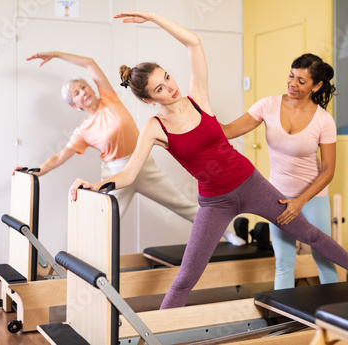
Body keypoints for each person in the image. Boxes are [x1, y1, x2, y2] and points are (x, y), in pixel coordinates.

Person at [70, 10, 348, 310]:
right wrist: (97, 184)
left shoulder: (197, 97)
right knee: (186, 276)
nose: (170, 87)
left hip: (251, 184)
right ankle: (157, 332)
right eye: (159, 88)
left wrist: (152, 17)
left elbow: (193, 42)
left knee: (309, 234)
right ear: (147, 98)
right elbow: (127, 175)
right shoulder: (155, 127)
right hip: (215, 203)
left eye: (167, 77)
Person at [21, 51, 244, 245]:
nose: (83, 92)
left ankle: (229, 232)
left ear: (91, 87)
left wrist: (55, 54)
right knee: (105, 222)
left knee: (182, 205)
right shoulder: (83, 131)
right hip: (116, 174)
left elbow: (89, 62)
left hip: (143, 165)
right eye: (75, 94)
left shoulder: (109, 98)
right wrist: (36, 171)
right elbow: (60, 155)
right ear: (74, 105)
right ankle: (95, 269)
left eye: (83, 86)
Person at [221, 54, 339, 289]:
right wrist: (194, 117)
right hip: (279, 197)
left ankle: (333, 317)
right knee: (284, 262)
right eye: (291, 75)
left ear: (316, 86)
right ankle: (284, 319)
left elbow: (328, 171)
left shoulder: (324, 121)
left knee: (324, 259)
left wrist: (300, 202)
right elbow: (228, 131)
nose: (293, 83)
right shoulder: (268, 105)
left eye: (302, 81)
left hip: (312, 198)